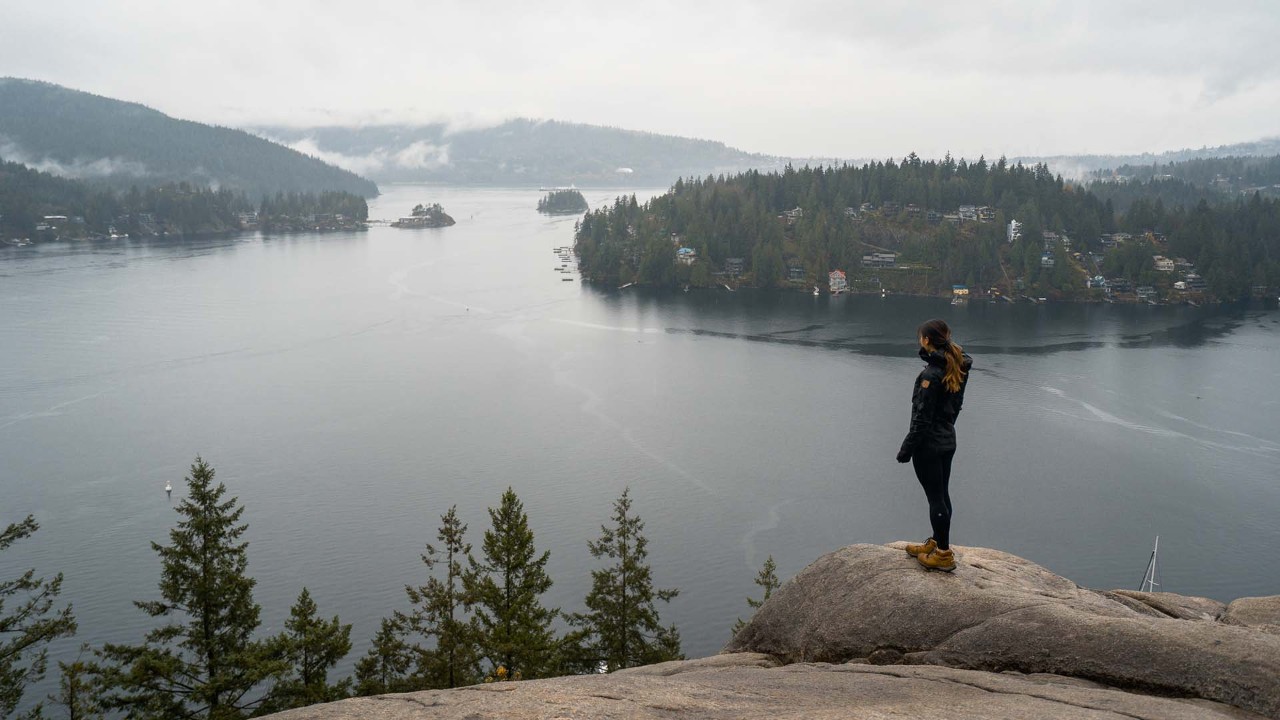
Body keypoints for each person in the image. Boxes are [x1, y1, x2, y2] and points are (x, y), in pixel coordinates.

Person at [897, 319, 972, 572]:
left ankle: (943, 554)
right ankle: (939, 542)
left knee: (935, 498)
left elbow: (922, 417)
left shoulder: (931, 374)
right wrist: (945, 429)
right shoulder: (958, 366)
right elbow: (955, 406)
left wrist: (907, 448)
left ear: (927, 340)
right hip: (947, 439)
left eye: (921, 337)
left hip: (928, 444)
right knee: (942, 494)